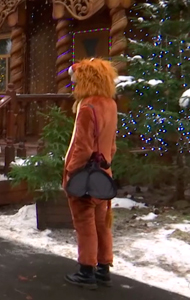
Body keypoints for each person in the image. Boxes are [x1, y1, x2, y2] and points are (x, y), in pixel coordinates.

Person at [63, 59, 118, 288]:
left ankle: (87, 270)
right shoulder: (111, 104)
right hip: (103, 175)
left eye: (76, 81)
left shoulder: (87, 107)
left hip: (85, 176)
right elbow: (112, 146)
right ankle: (103, 268)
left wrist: (71, 172)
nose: (74, 86)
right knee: (101, 222)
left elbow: (82, 147)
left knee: (84, 222)